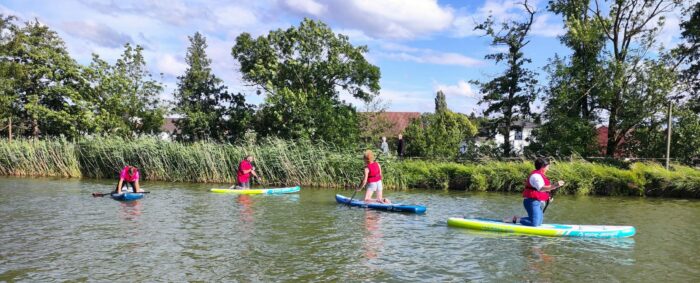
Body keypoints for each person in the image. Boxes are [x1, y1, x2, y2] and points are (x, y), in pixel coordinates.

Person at [505, 157, 565, 226]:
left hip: (538, 201)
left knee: (538, 222)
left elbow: (544, 190)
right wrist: (555, 185)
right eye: (548, 166)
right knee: (534, 223)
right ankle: (515, 219)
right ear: (543, 166)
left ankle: (518, 218)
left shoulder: (541, 176)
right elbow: (541, 188)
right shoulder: (536, 176)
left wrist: (548, 197)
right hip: (531, 201)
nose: (548, 168)